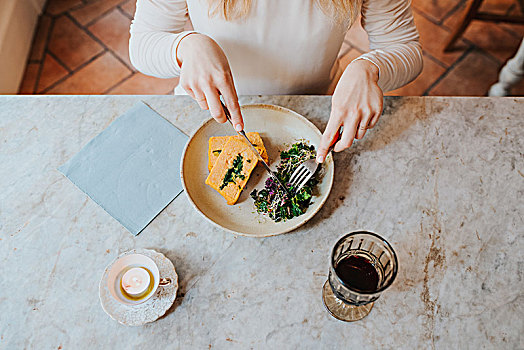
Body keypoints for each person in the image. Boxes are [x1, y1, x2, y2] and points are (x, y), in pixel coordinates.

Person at [129, 0, 422, 163]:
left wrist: (370, 68)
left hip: (317, 121)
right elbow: (142, 42)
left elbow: (405, 46)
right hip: (207, 110)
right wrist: (185, 46)